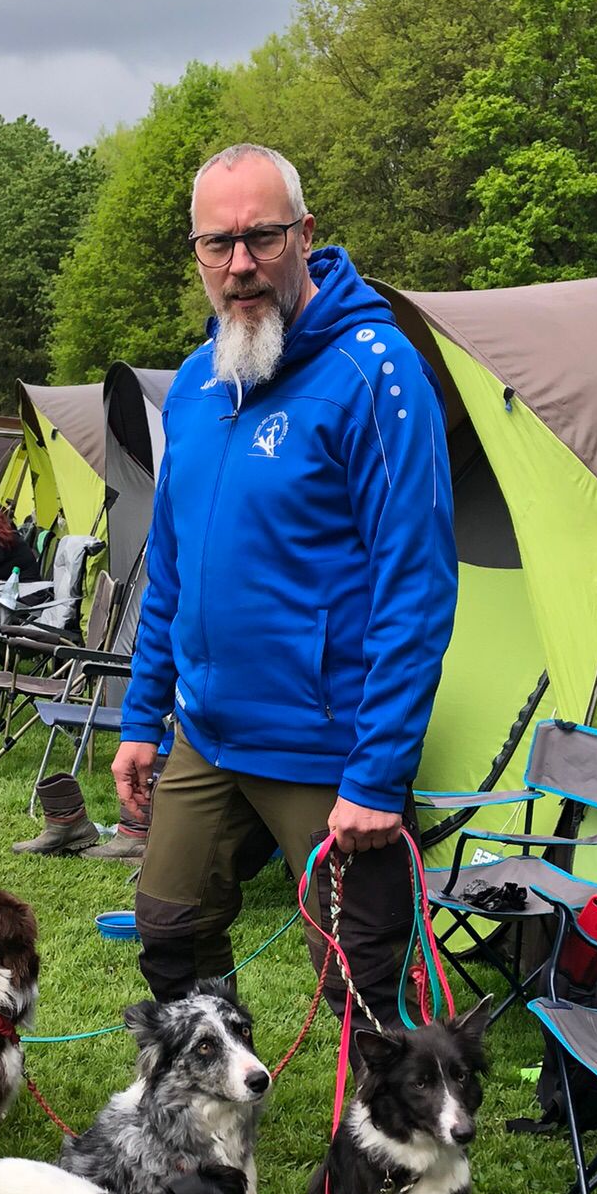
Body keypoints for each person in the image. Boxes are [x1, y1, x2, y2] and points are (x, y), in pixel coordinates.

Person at [111, 142, 457, 1027]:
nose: (239, 265)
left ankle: (398, 1164)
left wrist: (378, 776)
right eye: (215, 245)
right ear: (194, 255)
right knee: (171, 930)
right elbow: (172, 573)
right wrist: (142, 720)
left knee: (365, 982)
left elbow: (414, 585)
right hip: (209, 736)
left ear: (304, 235)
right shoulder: (194, 385)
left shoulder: (375, 372)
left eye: (261, 238)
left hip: (328, 749)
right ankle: (210, 1128)